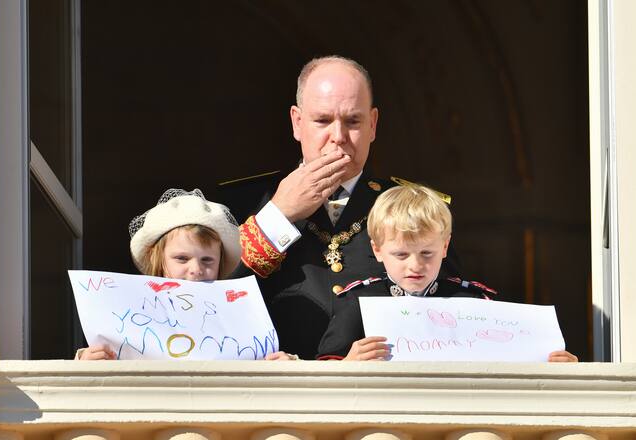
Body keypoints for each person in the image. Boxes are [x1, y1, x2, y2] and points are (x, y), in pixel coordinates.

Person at [220, 55, 460, 359]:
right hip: (272, 392)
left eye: (353, 121)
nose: (338, 137)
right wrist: (278, 215)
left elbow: (454, 307)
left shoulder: (415, 206)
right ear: (297, 122)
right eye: (322, 120)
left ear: (372, 125)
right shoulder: (244, 201)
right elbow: (211, 300)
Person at [316, 184, 578, 362]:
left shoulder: (472, 302)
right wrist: (347, 364)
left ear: (445, 247)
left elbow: (509, 364)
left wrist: (550, 362)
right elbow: (321, 376)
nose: (415, 265)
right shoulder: (358, 302)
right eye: (401, 254)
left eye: (426, 253)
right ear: (378, 250)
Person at [77, 188, 294, 361]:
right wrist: (88, 361)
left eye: (207, 260)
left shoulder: (242, 316)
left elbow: (256, 358)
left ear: (221, 263)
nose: (196, 269)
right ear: (157, 259)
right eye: (181, 258)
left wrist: (279, 365)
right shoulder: (128, 312)